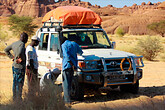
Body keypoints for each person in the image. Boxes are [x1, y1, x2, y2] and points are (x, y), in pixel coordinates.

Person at [4, 32, 28, 101]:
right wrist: (18, 57)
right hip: (20, 67)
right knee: (19, 83)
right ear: (24, 38)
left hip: (14, 66)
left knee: (15, 82)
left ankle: (14, 98)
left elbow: (6, 50)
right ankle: (18, 99)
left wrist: (12, 57)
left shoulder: (14, 43)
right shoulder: (22, 44)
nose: (27, 40)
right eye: (26, 38)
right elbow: (20, 51)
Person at [61, 37, 83, 105]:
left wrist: (71, 64)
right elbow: (80, 52)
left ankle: (67, 101)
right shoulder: (74, 44)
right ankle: (68, 98)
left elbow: (66, 56)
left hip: (67, 66)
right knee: (70, 83)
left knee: (66, 84)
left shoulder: (64, 45)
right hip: (73, 67)